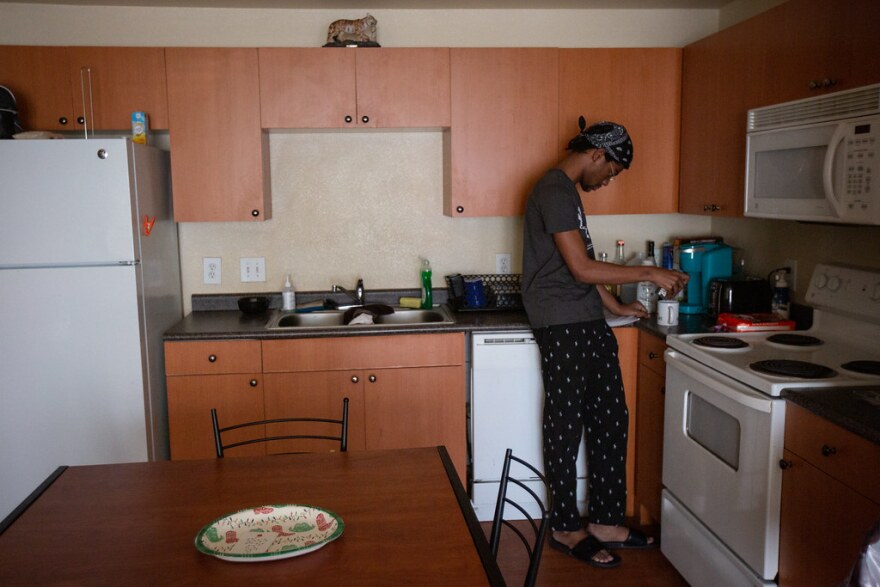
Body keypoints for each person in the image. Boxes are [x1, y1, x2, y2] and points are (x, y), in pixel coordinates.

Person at [521, 117, 688, 569]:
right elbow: (579, 268)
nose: (608, 179)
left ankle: (607, 521)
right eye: (611, 170)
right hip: (561, 321)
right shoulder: (555, 190)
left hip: (584, 318)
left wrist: (613, 304)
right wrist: (650, 272)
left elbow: (583, 263)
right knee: (566, 422)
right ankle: (564, 525)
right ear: (597, 154)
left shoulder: (566, 193)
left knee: (611, 416)